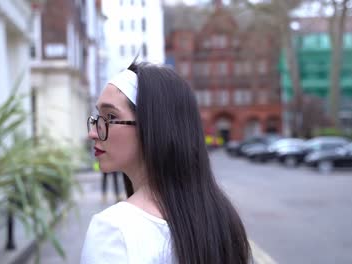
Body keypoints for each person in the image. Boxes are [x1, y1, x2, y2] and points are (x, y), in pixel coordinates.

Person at [82, 62, 250, 264]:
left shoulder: (114, 231)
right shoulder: (223, 218)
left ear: (154, 127)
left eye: (110, 117)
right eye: (97, 118)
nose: (93, 132)